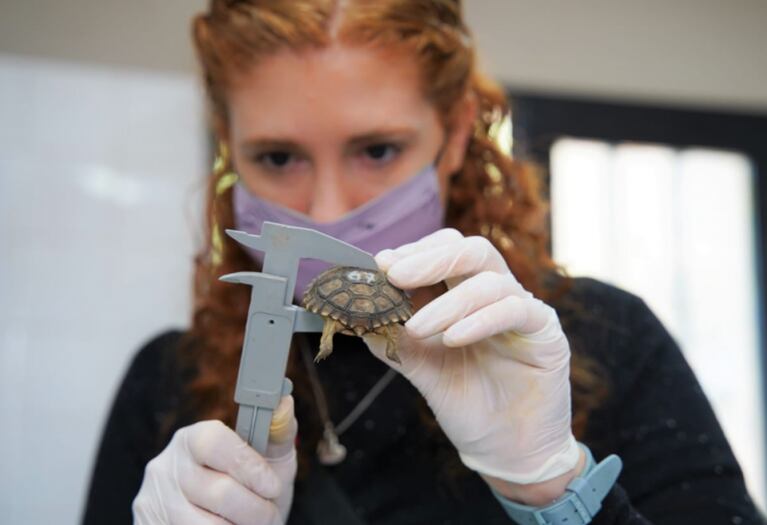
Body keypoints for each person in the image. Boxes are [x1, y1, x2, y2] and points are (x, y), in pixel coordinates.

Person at [82, 1, 765, 524]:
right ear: (227, 148)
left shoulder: (609, 342)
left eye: (377, 150)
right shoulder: (165, 384)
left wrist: (551, 486)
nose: (325, 208)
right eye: (277, 157)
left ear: (457, 131)